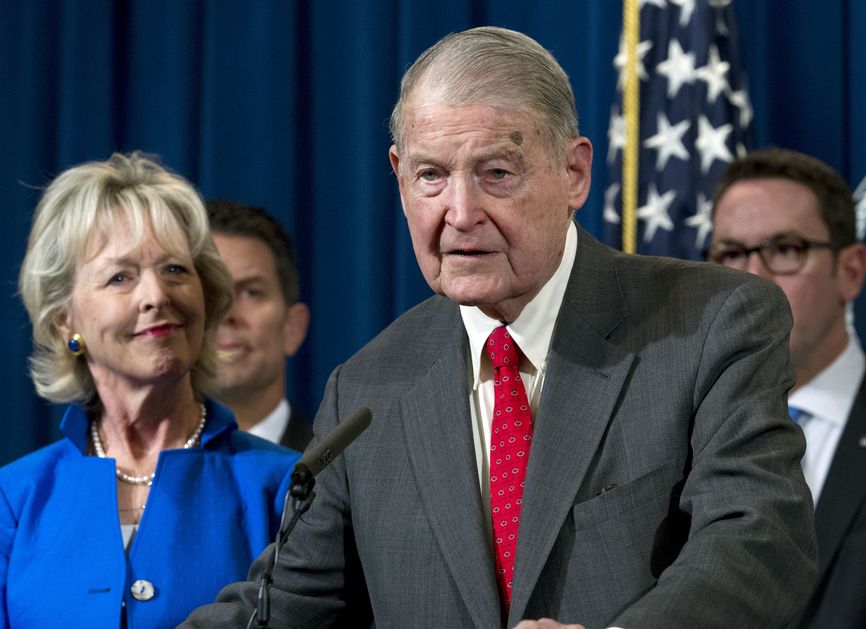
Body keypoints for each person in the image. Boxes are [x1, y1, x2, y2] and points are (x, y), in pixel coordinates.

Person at [184, 27, 816, 628]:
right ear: (398, 174)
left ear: (573, 174)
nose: (460, 214)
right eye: (431, 175)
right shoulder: (370, 386)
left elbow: (758, 539)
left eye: (497, 174)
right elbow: (286, 605)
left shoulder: (709, 324)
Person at [0, 153, 299, 628]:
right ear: (65, 320)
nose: (156, 296)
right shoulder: (15, 499)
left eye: (176, 270)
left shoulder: (284, 487)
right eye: (120, 277)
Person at [708, 148, 866, 629]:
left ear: (851, 271)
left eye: (785, 250)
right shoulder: (669, 433)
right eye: (733, 254)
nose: (753, 280)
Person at [206, 200, 313, 451]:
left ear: (293, 327)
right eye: (209, 291)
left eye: (251, 293)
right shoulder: (138, 473)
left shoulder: (343, 473)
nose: (226, 314)